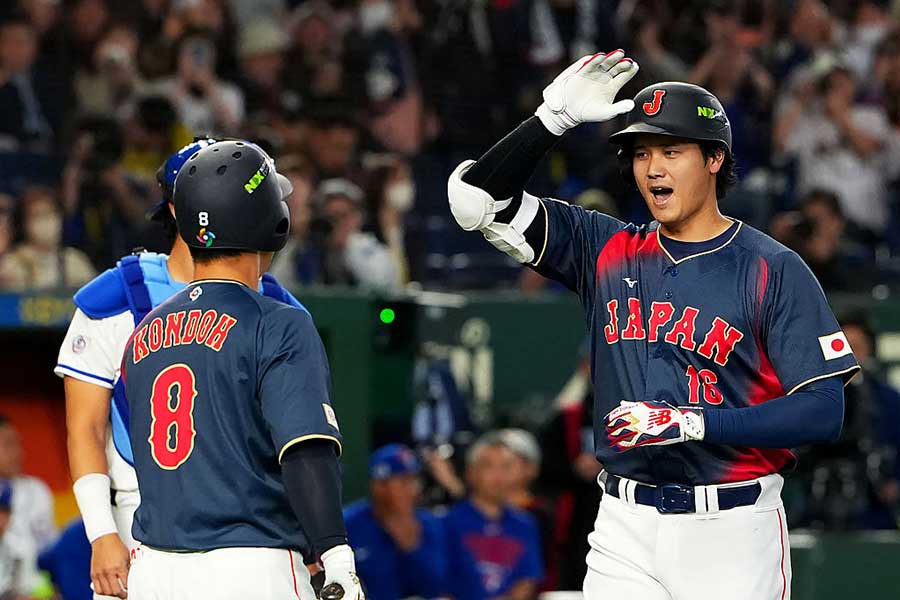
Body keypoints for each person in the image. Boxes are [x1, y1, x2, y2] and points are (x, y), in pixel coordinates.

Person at [447, 50, 860, 599]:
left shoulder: (771, 268)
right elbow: (476, 201)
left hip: (731, 527)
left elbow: (822, 410)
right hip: (624, 522)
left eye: (672, 150)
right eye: (641, 153)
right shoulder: (605, 247)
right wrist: (553, 120)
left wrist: (695, 423)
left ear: (715, 160)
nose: (653, 168)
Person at [55, 138, 306, 600]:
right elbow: (84, 428)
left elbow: (293, 433)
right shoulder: (115, 298)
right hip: (141, 522)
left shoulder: (275, 303)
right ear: (177, 209)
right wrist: (101, 532)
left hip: (252, 527)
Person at [122, 140, 361, 600]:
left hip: (152, 568)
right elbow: (305, 449)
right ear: (267, 219)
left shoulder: (144, 333)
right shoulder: (278, 322)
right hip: (249, 565)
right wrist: (336, 555)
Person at [443, 432, 543, 600]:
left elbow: (528, 580)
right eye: (488, 466)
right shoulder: (447, 524)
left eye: (506, 467)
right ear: (470, 472)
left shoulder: (525, 524)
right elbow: (439, 582)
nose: (498, 476)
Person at [344, 444, 446, 600]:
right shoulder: (348, 524)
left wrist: (412, 549)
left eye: (414, 480)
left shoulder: (428, 523)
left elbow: (436, 588)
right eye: (403, 482)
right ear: (379, 487)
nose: (413, 489)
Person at [0, 186, 96, 290]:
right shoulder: (12, 262)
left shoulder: (74, 259)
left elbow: (95, 297)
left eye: (52, 213)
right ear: (24, 224)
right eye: (38, 215)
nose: (47, 221)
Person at [0, 416, 56, 565]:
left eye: (18, 444)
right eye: (8, 444)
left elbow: (49, 545)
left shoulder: (36, 489)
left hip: (35, 582)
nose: (18, 451)